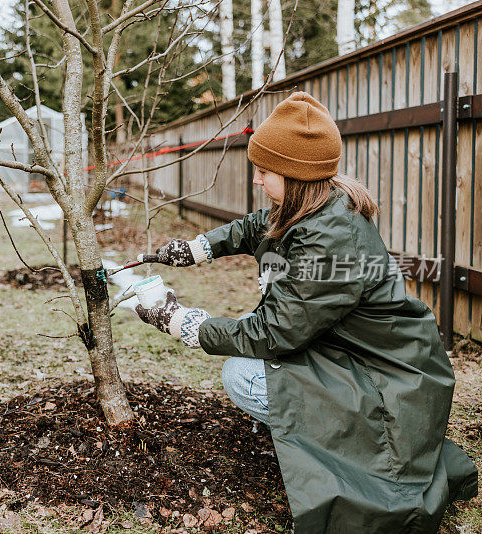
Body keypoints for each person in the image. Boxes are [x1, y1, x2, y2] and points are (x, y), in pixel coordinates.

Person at [136, 91, 478, 532]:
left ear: (295, 176)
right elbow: (258, 225)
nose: (257, 180)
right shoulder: (316, 205)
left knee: (242, 373)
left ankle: (346, 446)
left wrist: (181, 321)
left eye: (264, 172)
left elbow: (272, 334)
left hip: (387, 375)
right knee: (252, 347)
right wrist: (200, 247)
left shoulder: (330, 240)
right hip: (363, 353)